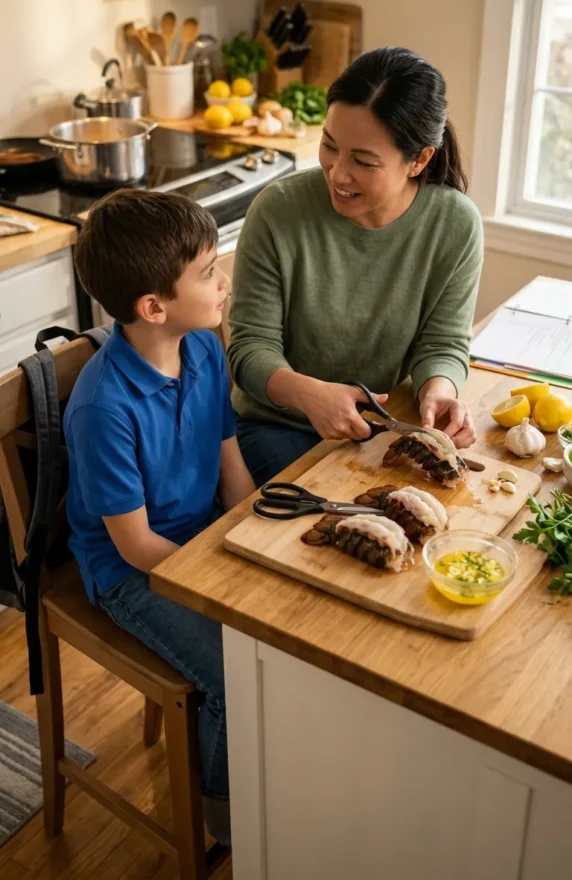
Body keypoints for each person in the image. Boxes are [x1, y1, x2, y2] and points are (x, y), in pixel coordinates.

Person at [65, 189, 255, 846]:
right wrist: (223, 585)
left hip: (197, 538)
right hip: (130, 572)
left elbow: (230, 461)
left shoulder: (202, 348)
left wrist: (259, 539)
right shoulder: (103, 409)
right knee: (234, 673)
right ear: (154, 307)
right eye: (206, 273)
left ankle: (272, 778)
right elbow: (138, 545)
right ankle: (229, 829)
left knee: (283, 630)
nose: (222, 278)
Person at [228, 46, 484, 487]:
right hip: (277, 429)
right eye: (329, 146)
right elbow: (249, 350)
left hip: (381, 427)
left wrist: (439, 392)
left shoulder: (455, 224)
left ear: (419, 160)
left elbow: (442, 342)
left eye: (363, 161)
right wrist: (309, 395)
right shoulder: (277, 211)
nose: (337, 173)